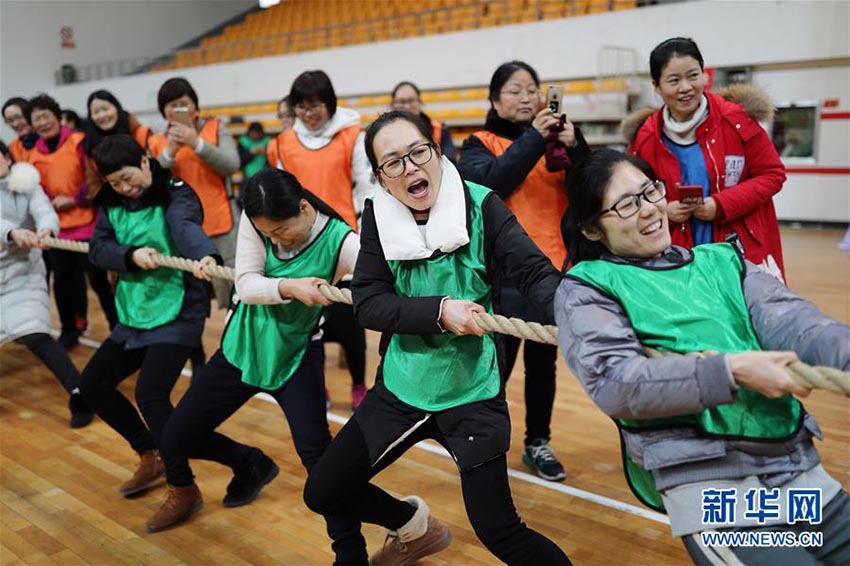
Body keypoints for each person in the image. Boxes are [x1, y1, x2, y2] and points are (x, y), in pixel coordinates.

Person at [556, 148, 850, 565]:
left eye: (650, 192)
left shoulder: (722, 261)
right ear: (590, 229)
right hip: (714, 489)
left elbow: (799, 323)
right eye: (625, 205)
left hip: (794, 471)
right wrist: (731, 370)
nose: (648, 210)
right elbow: (615, 382)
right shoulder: (587, 288)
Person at [304, 111, 572, 565]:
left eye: (417, 152)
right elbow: (368, 302)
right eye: (393, 163)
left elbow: (534, 273)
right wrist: (441, 311)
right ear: (380, 178)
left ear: (436, 150)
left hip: (472, 389)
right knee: (324, 490)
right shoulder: (377, 216)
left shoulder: (482, 205)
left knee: (500, 531)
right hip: (402, 385)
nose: (410, 168)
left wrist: (583, 314)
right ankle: (413, 525)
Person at [161, 168, 367, 563]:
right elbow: (246, 284)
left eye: (281, 231)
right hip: (242, 347)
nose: (275, 239)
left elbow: (386, 278)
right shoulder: (260, 218)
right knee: (174, 438)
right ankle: (249, 463)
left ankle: (351, 553)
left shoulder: (343, 242)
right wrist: (290, 286)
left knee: (320, 463)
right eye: (267, 234)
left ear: (304, 207)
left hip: (295, 358)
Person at [78, 134, 220, 533]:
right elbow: (97, 248)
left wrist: (205, 255)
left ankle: (183, 486)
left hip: (179, 309)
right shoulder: (111, 202)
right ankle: (149, 452)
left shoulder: (175, 191)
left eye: (128, 178)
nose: (125, 189)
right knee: (92, 384)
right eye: (115, 183)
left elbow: (186, 226)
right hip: (135, 310)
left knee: (151, 395)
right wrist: (129, 255)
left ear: (145, 160)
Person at [458, 60, 590, 481]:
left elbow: (591, 189)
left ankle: (538, 442)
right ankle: (485, 443)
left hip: (552, 272)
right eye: (514, 90)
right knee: (494, 365)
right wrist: (535, 135)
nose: (526, 97)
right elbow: (495, 182)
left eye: (532, 89)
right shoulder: (478, 144)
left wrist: (578, 147)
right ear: (495, 100)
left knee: (542, 365)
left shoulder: (555, 145)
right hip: (502, 277)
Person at [621, 37, 787, 281]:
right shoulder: (646, 137)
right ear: (657, 86)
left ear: (704, 76)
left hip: (739, 247)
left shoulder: (737, 121)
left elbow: (773, 174)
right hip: (675, 251)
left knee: (744, 313)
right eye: (674, 80)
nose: (686, 87)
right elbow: (632, 193)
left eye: (693, 75)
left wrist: (720, 205)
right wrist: (664, 209)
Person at [266, 70, 379, 409]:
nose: (308, 114)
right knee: (305, 324)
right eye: (300, 107)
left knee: (349, 323)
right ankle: (317, 385)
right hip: (300, 244)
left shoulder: (352, 135)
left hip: (343, 241)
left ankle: (359, 384)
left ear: (329, 103)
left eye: (314, 105)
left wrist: (361, 235)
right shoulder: (283, 142)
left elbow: (365, 188)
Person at [0, 141, 94, 428]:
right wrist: (12, 231)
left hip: (22, 272)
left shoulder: (26, 183)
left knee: (35, 333)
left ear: (6, 157)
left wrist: (46, 229)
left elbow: (45, 211)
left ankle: (81, 394)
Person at [26, 93, 118, 348]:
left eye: (46, 116)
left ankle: (117, 328)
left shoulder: (80, 142)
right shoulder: (34, 154)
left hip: (89, 224)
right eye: (37, 119)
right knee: (64, 283)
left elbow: (94, 178)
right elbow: (36, 191)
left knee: (100, 282)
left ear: (57, 116)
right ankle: (70, 328)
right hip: (56, 230)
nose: (43, 123)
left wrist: (75, 199)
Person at [148, 77, 240, 310]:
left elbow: (231, 164)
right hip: (181, 229)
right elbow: (151, 185)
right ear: (163, 112)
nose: (179, 109)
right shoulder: (157, 141)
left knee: (235, 290)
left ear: (195, 105)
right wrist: (170, 151)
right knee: (192, 295)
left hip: (223, 223)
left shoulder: (217, 127)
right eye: (171, 105)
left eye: (184, 103)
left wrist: (196, 143)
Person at [83, 90, 153, 200]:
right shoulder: (90, 147)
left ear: (116, 108)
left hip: (151, 196)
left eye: (105, 109)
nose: (102, 115)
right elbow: (93, 185)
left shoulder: (142, 134)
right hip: (116, 206)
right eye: (96, 112)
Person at [391, 81, 457, 162]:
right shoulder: (383, 134)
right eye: (401, 101)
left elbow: (450, 162)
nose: (407, 106)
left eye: (411, 100)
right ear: (393, 104)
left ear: (419, 102)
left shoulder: (439, 129)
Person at [4, 97, 39, 163]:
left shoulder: (48, 137)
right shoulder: (13, 148)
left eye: (19, 117)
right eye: (10, 120)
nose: (15, 124)